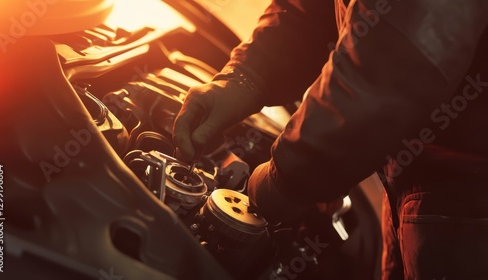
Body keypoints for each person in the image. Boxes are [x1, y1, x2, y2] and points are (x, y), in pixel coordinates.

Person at [173, 0, 488, 279]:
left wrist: (290, 177)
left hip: (470, 204)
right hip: (419, 185)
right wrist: (247, 74)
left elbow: (400, 55)